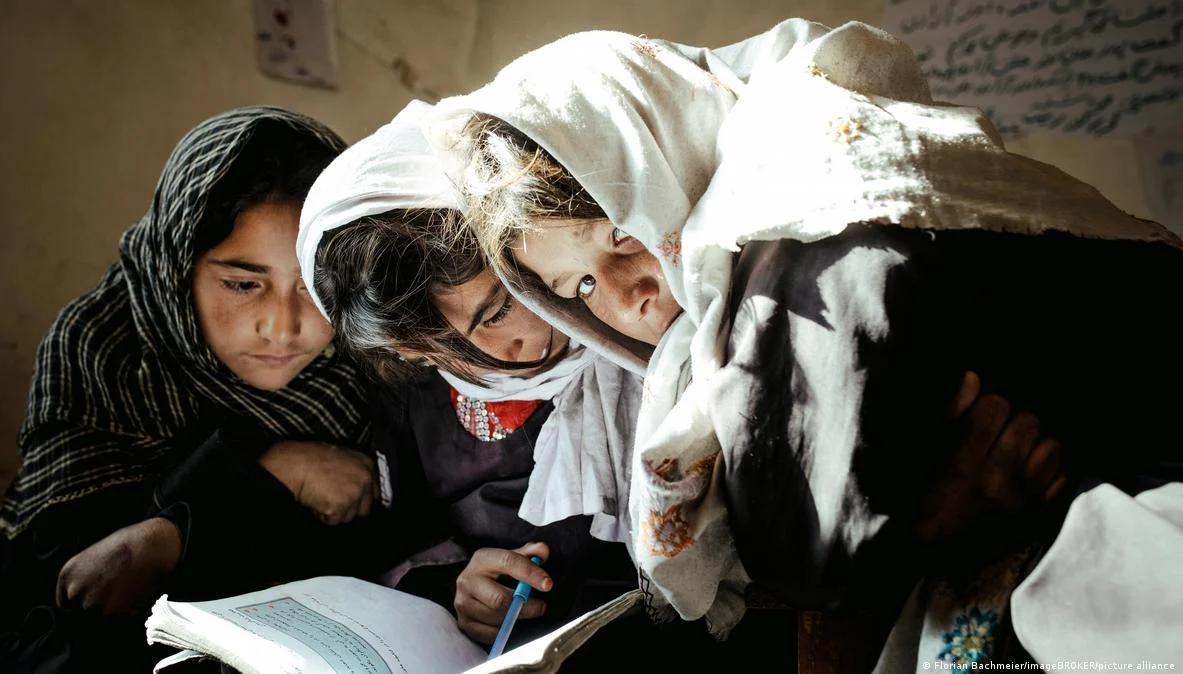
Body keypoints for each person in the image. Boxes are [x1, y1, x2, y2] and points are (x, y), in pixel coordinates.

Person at [430, 18, 1182, 662]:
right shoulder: (714, 337)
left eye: (621, 240)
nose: (624, 299)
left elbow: (821, 557)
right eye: (578, 289)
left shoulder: (815, 243)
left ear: (663, 162)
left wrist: (914, 536)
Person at [0, 107, 396, 673]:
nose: (283, 325)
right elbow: (86, 581)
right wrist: (271, 475)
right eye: (243, 284)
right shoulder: (106, 354)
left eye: (315, 284)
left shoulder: (374, 362)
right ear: (178, 267)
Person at [297, 101, 642, 649]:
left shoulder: (640, 312)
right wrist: (461, 589)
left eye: (500, 305)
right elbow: (403, 544)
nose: (482, 359)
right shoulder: (416, 398)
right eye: (428, 352)